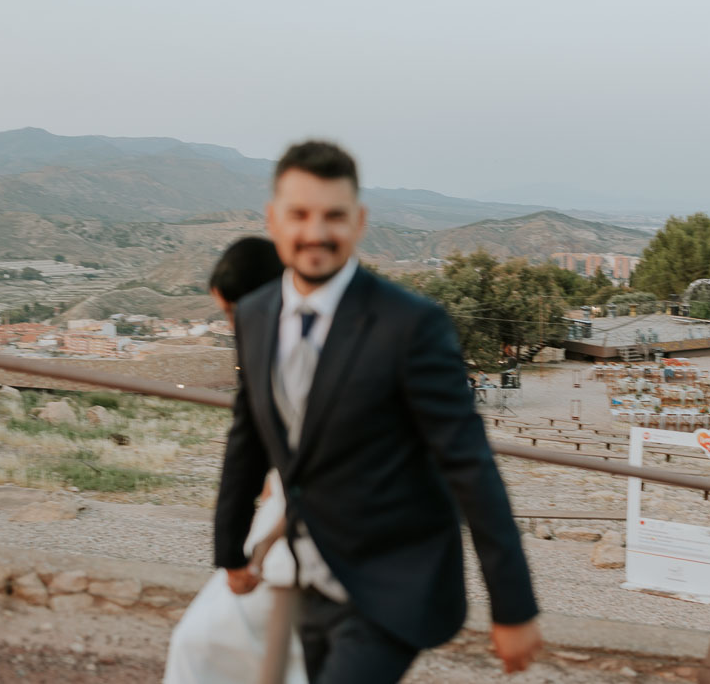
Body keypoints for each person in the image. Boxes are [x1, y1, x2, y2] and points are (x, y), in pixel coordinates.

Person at [214, 141, 542, 684]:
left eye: (334, 216)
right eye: (299, 214)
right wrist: (230, 550)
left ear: (360, 222)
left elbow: (470, 465)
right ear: (273, 220)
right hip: (310, 575)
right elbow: (247, 438)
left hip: (395, 583)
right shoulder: (255, 313)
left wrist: (513, 606)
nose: (316, 232)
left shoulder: (411, 325)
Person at [165, 237, 305, 684]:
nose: (231, 327)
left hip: (330, 526)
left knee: (205, 642)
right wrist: (234, 554)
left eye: (230, 314)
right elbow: (245, 445)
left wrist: (253, 552)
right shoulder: (262, 348)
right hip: (289, 517)